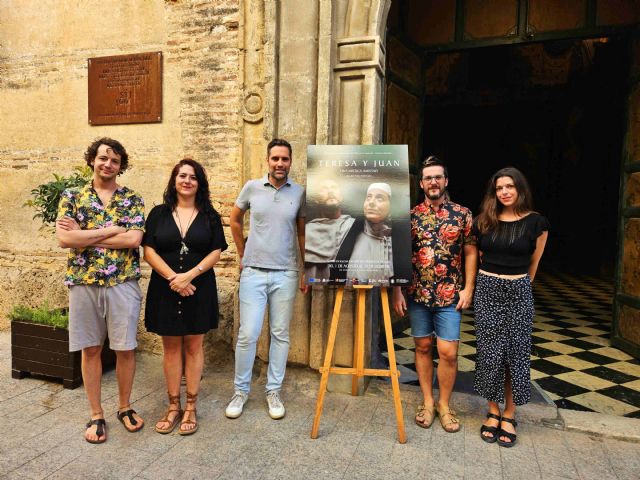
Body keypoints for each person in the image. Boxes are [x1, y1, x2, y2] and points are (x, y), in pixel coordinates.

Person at [56, 137, 145, 444]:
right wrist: (110, 231)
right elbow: (65, 240)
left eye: (115, 160)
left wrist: (85, 236)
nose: (108, 164)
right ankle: (96, 413)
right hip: (83, 282)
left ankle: (124, 406)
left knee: (125, 348)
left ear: (121, 166)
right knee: (91, 348)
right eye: (103, 158)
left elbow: (133, 241)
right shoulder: (72, 196)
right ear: (92, 159)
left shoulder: (131, 198)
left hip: (123, 283)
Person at [392, 156, 477, 433]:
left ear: (446, 181)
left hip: (450, 295)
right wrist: (397, 290)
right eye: (428, 178)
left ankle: (444, 404)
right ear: (421, 184)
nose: (433, 182)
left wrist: (469, 287)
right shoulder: (411, 216)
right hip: (417, 293)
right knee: (423, 347)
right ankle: (428, 402)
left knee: (448, 352)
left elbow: (470, 251)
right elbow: (400, 254)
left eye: (438, 177)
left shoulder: (462, 214)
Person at [143, 159, 227, 435]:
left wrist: (189, 276)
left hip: (198, 289)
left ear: (199, 183)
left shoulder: (209, 216)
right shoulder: (158, 213)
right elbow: (149, 250)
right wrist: (174, 279)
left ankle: (191, 405)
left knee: (193, 346)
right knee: (170, 347)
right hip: (166, 289)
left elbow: (216, 250)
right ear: (174, 180)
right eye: (182, 175)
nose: (187, 180)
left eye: (193, 177)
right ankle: (173, 406)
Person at [225, 138, 307, 420]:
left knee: (280, 334)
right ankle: (240, 391)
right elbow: (234, 219)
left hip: (285, 273)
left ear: (291, 161)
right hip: (254, 272)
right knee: (248, 334)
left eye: (285, 159)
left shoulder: (299, 192)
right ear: (268, 161)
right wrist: (241, 252)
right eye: (275, 159)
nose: (280, 164)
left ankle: (273, 391)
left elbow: (302, 233)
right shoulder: (252, 188)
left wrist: (305, 269)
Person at [473, 167, 548, 447]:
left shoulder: (537, 223)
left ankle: (509, 414)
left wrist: (520, 289)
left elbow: (534, 264)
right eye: (499, 188)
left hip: (518, 291)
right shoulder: (483, 221)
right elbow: (477, 256)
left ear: (520, 189)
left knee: (514, 355)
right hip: (487, 288)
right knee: (490, 354)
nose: (504, 192)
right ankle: (492, 410)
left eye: (509, 187)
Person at [331, 182, 394, 284]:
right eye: (368, 198)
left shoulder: (394, 242)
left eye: (380, 198)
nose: (371, 202)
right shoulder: (345, 230)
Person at [304, 178, 354, 282]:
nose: (330, 191)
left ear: (341, 197)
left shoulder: (355, 226)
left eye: (334, 188)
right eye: (324, 189)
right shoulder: (307, 231)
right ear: (316, 199)